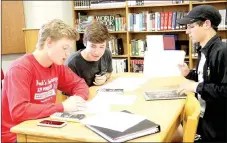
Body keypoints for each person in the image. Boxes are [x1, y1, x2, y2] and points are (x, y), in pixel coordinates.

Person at [1, 19, 89, 142]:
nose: (68, 54)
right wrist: (62, 106)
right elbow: (19, 111)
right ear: (49, 43)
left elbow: (79, 84)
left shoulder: (56, 65)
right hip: (17, 135)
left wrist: (78, 100)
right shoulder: (20, 69)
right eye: (64, 48)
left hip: (42, 126)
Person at [174, 5, 227, 142]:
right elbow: (209, 78)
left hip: (216, 129)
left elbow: (225, 91)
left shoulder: (222, 52)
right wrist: (189, 74)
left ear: (206, 24)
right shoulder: (203, 49)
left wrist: (195, 87)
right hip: (203, 119)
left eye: (191, 26)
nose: (187, 31)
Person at [65, 22, 113, 87]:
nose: (97, 52)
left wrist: (105, 77)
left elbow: (109, 72)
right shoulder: (72, 63)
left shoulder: (107, 53)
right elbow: (68, 93)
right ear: (85, 43)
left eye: (101, 47)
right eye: (93, 46)